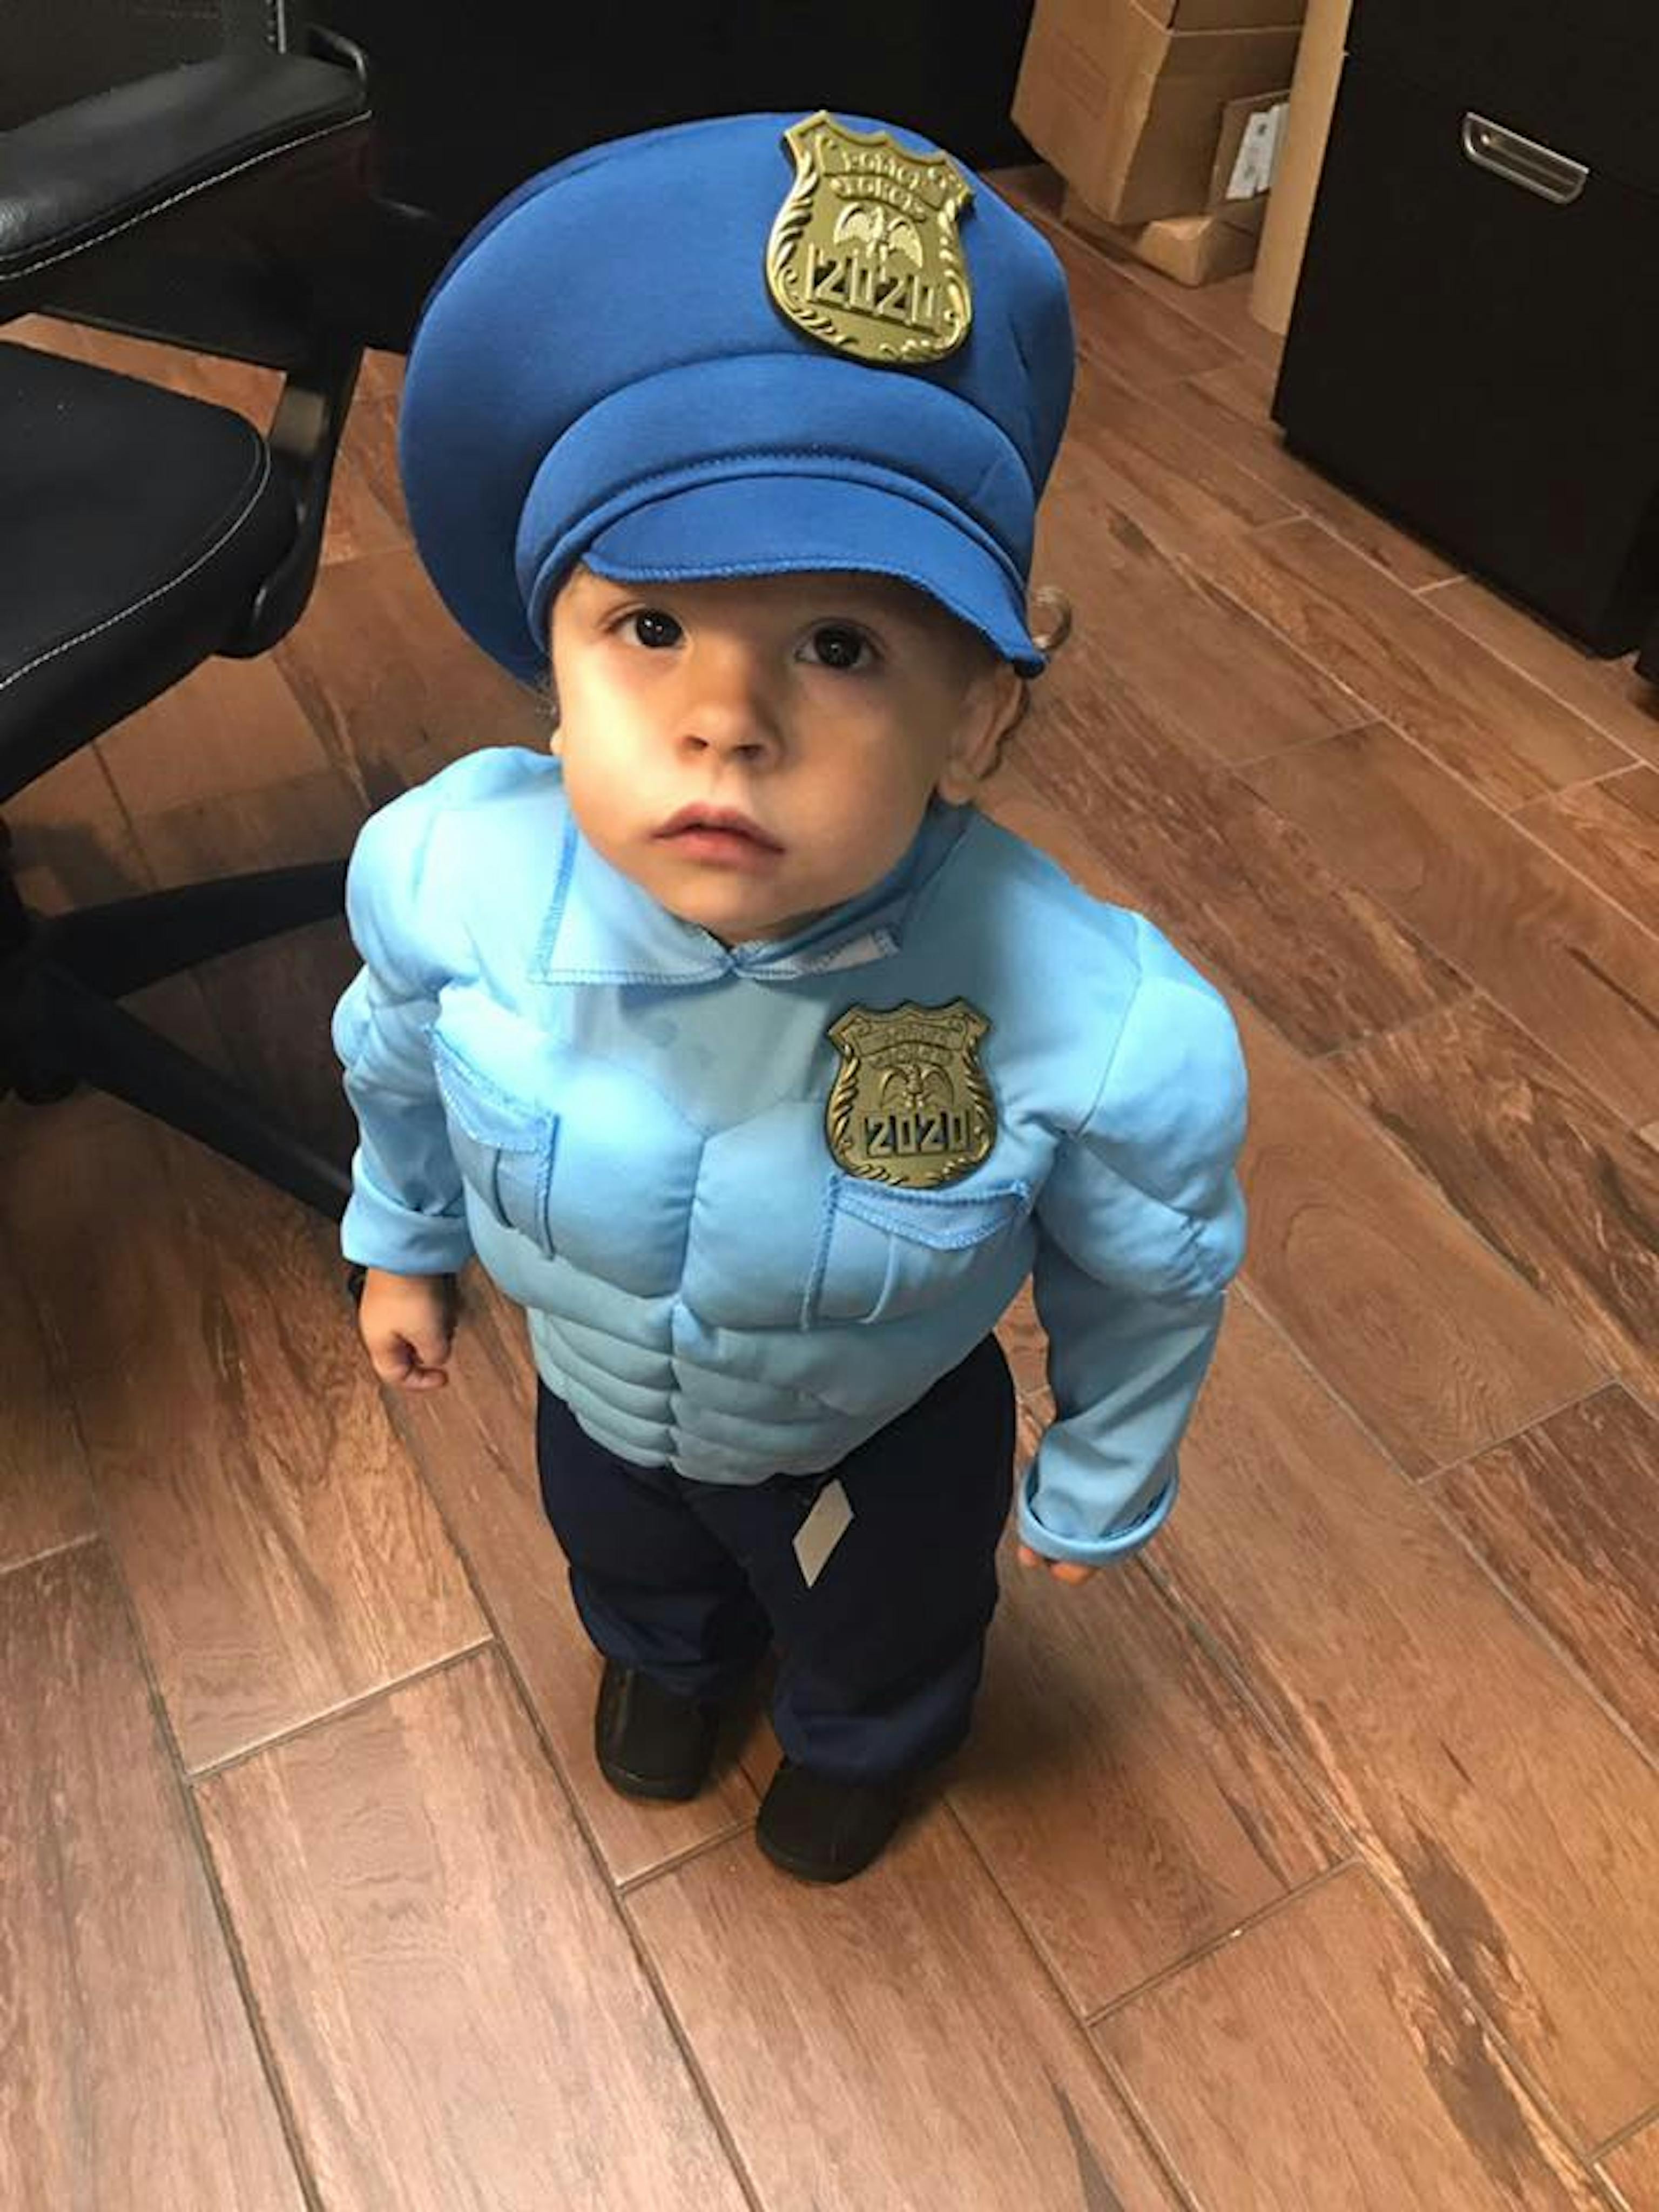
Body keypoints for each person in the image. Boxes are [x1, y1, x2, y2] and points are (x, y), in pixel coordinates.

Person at [334, 110, 1248, 1883]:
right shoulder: (451, 875)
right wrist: (404, 1238)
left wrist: (1103, 1470)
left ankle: (867, 1734)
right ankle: (668, 1659)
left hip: (873, 1432)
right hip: (598, 1389)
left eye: (838, 646)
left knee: (886, 1613)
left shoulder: (1091, 1020)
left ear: (978, 715)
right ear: (550, 672)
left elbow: (1154, 1268)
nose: (725, 723)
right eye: (651, 629)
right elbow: (394, 1060)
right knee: (624, 1548)